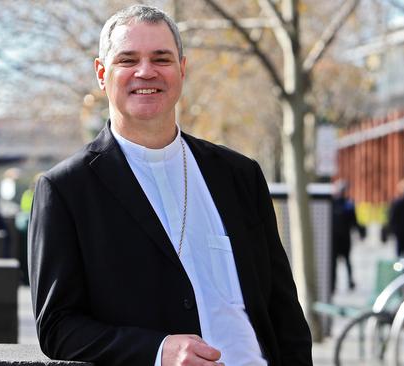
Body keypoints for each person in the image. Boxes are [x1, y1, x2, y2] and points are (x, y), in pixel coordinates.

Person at [28, 5, 312, 366]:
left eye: (161, 58)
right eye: (127, 60)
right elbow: (57, 327)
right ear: (102, 73)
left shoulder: (240, 175)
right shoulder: (65, 189)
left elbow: (284, 311)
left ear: (182, 68)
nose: (145, 72)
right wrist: (159, 351)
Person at [331, 180, 365, 293]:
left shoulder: (345, 204)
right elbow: (354, 221)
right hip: (339, 238)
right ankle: (335, 283)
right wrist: (360, 232)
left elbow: (354, 221)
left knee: (344, 261)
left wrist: (360, 232)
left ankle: (344, 282)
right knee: (338, 262)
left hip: (340, 238)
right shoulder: (339, 203)